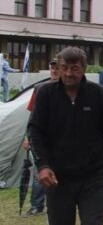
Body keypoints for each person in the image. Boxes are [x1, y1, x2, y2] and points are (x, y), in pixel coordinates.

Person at [28, 47, 103, 225]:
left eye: (75, 68)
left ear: (83, 68)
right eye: (64, 68)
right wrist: (43, 165)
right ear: (58, 68)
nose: (69, 73)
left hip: (92, 178)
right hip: (57, 179)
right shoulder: (46, 94)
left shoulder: (98, 94)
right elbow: (35, 131)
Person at [22, 59, 60, 216]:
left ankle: (58, 204)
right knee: (40, 171)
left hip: (61, 138)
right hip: (41, 137)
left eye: (57, 68)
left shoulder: (72, 88)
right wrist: (28, 137)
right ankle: (37, 205)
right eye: (52, 68)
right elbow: (32, 116)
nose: (54, 70)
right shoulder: (40, 88)